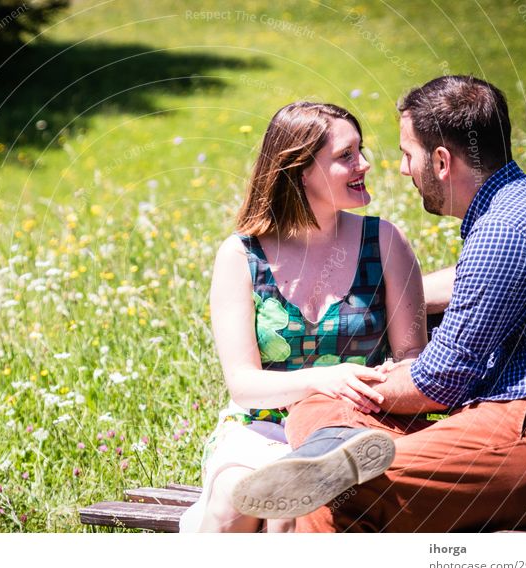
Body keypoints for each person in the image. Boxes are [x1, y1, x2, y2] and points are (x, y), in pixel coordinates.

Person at [232, 76, 526, 532]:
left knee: (339, 493)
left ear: (441, 161)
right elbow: (469, 288)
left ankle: (330, 457)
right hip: (525, 417)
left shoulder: (502, 232)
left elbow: (437, 383)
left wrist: (352, 381)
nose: (401, 169)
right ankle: (333, 447)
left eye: (407, 154)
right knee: (320, 418)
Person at [179, 101, 427, 532]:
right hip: (265, 426)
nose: (364, 164)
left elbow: (413, 361)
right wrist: (321, 379)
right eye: (345, 156)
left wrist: (351, 390)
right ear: (299, 172)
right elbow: (244, 385)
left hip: (354, 429)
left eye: (360, 150)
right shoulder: (242, 256)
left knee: (292, 517)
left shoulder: (383, 242)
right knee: (231, 504)